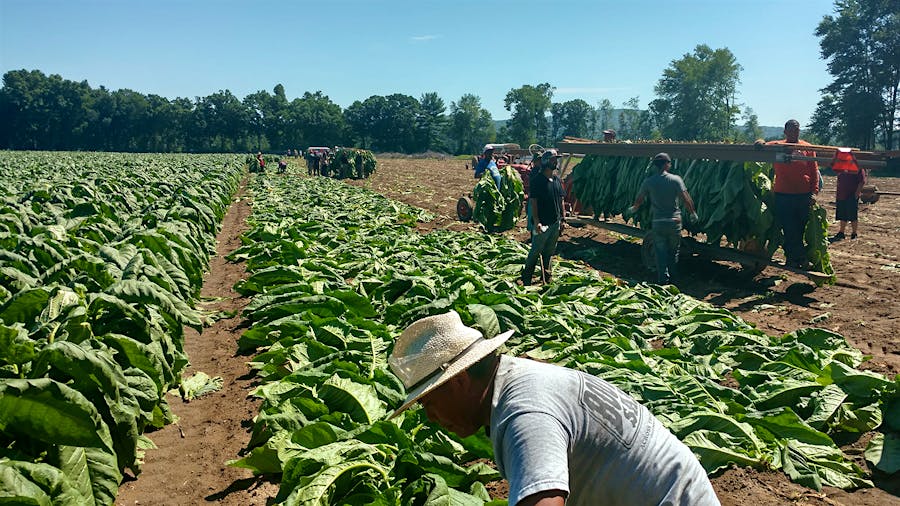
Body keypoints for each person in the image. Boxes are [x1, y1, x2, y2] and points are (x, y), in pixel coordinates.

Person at [388, 310, 721, 506]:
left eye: (430, 402)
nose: (431, 417)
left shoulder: (524, 415)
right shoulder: (518, 379)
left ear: (459, 381)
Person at [626, 152, 697, 285]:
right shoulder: (676, 179)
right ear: (666, 165)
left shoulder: (649, 182)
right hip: (674, 222)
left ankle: (662, 281)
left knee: (660, 253)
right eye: (669, 163)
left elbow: (640, 198)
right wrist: (692, 213)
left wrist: (634, 208)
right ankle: (673, 281)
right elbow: (686, 198)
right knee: (673, 252)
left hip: (658, 222)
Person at [762, 119, 819, 269]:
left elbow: (814, 172)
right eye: (792, 129)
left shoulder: (807, 147)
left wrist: (814, 192)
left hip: (803, 195)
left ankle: (791, 259)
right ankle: (802, 259)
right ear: (785, 131)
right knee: (789, 227)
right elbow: (763, 145)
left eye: (797, 129)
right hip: (784, 195)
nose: (795, 132)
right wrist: (760, 141)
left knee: (799, 229)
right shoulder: (779, 146)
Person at [522, 149, 565, 286]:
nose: (556, 162)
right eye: (553, 160)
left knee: (549, 252)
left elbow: (561, 200)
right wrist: (536, 222)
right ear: (546, 162)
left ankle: (546, 277)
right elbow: (533, 201)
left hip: (555, 222)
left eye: (556, 160)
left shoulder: (557, 180)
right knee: (535, 251)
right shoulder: (538, 181)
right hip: (543, 223)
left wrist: (563, 219)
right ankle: (526, 276)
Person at [832, 167, 867, 241]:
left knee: (852, 214)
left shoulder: (858, 166)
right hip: (842, 195)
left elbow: (862, 181)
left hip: (851, 195)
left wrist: (856, 194)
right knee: (842, 214)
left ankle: (854, 233)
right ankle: (841, 232)